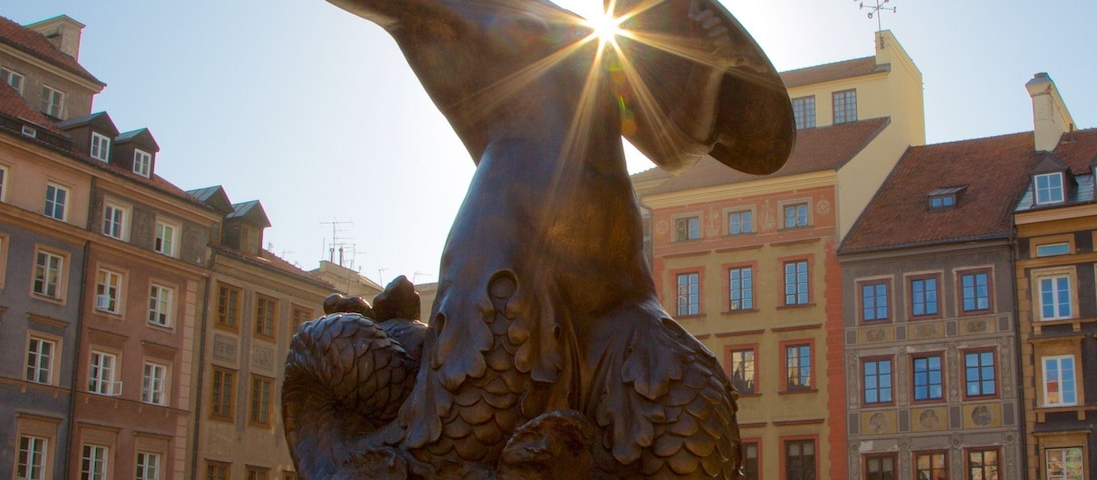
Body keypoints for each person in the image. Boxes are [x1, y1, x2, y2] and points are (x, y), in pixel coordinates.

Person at [282, 0, 794, 478]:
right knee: (476, 411)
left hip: (620, 293)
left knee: (693, 410)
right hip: (512, 256)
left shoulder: (576, 29)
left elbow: (673, 140)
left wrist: (712, 68)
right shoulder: (461, 10)